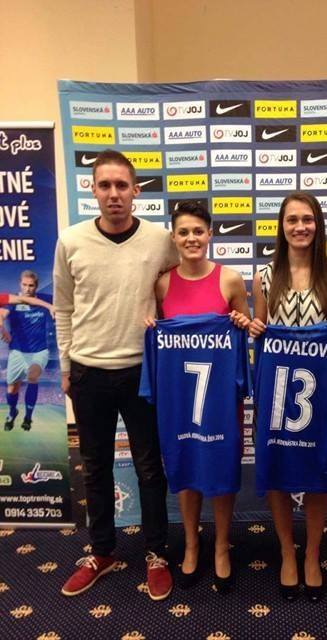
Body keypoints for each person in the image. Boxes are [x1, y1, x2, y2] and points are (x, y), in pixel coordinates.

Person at [53, 149, 178, 600]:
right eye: (104, 185)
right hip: (88, 372)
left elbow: (177, 294)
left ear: (136, 191)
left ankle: (156, 553)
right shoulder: (71, 240)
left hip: (142, 372)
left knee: (149, 467)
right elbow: (63, 309)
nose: (113, 194)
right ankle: (102, 551)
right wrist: (66, 367)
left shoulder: (161, 240)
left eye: (121, 185)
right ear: (92, 190)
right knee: (95, 467)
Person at [248, 191, 327, 602]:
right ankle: (286, 553)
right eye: (292, 220)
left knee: (318, 474)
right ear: (281, 226)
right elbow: (260, 328)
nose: (300, 227)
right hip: (277, 395)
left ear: (318, 225)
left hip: (320, 395)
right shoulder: (264, 277)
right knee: (277, 472)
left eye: (307, 219)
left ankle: (312, 554)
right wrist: (254, 328)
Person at [144, 200, 251, 594]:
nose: (191, 238)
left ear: (210, 235)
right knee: (186, 467)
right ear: (174, 237)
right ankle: (191, 543)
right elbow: (159, 336)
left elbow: (247, 331)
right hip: (181, 401)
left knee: (221, 471)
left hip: (220, 400)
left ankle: (221, 545)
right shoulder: (162, 284)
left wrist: (241, 321)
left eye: (198, 231)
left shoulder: (231, 280)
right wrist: (152, 327)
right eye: (184, 232)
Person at [1, 271, 54, 431]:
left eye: (31, 285)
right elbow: (2, 313)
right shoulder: (13, 301)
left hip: (39, 351)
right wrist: (2, 328)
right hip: (17, 351)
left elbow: (65, 305)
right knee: (12, 388)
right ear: (20, 284)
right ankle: (12, 412)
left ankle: (28, 418)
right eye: (24, 285)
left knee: (33, 375)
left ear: (36, 286)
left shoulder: (46, 299)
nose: (27, 288)